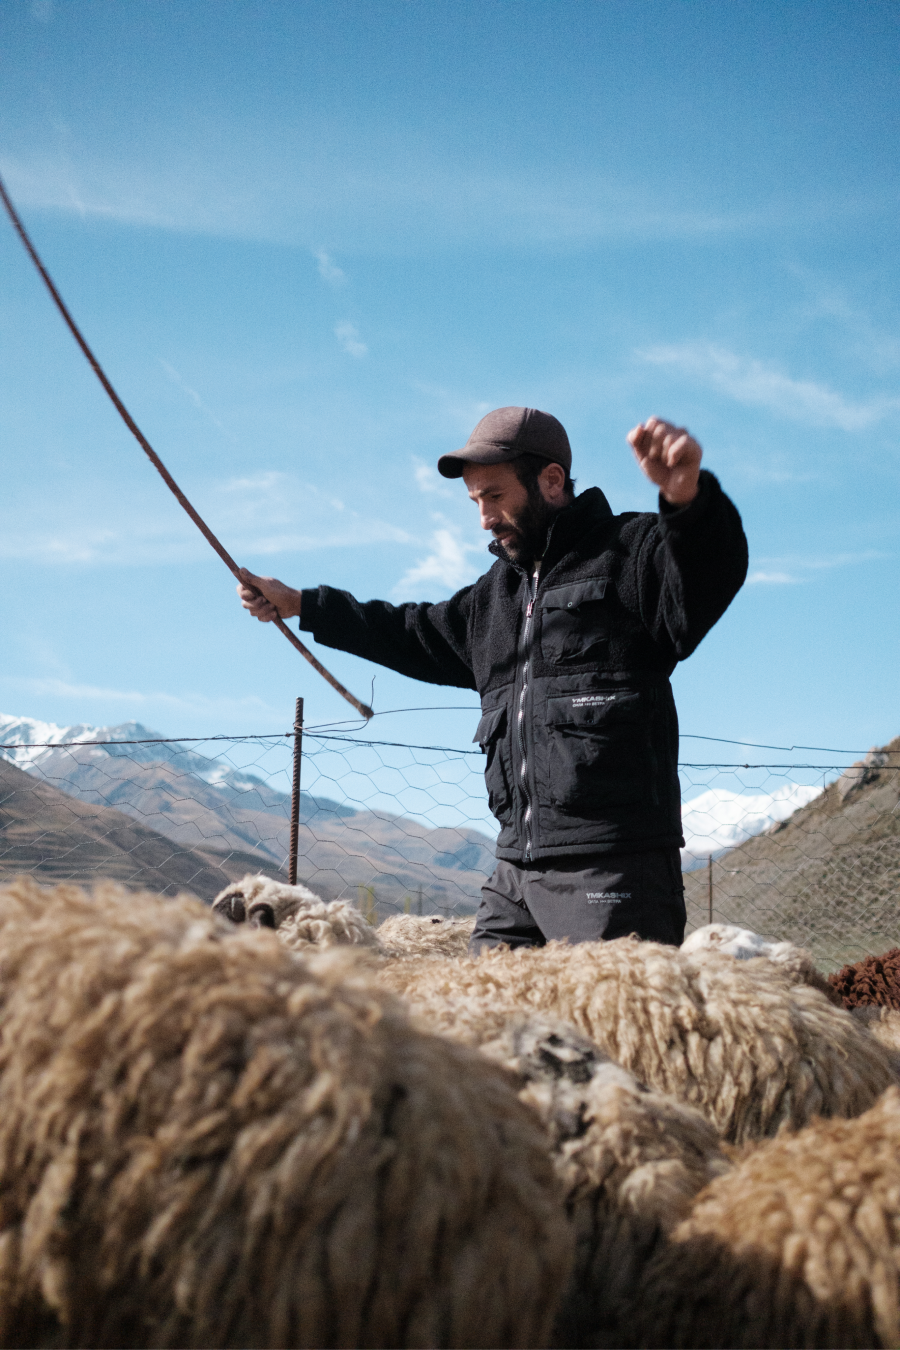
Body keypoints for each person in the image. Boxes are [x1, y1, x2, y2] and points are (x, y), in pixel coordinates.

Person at [237, 407, 748, 951]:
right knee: (477, 1004)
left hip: (611, 869)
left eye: (495, 496)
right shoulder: (494, 597)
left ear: (551, 481)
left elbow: (703, 579)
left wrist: (687, 502)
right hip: (515, 873)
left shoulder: (631, 553)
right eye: (476, 501)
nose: (484, 518)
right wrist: (303, 604)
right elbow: (409, 631)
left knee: (609, 1007)